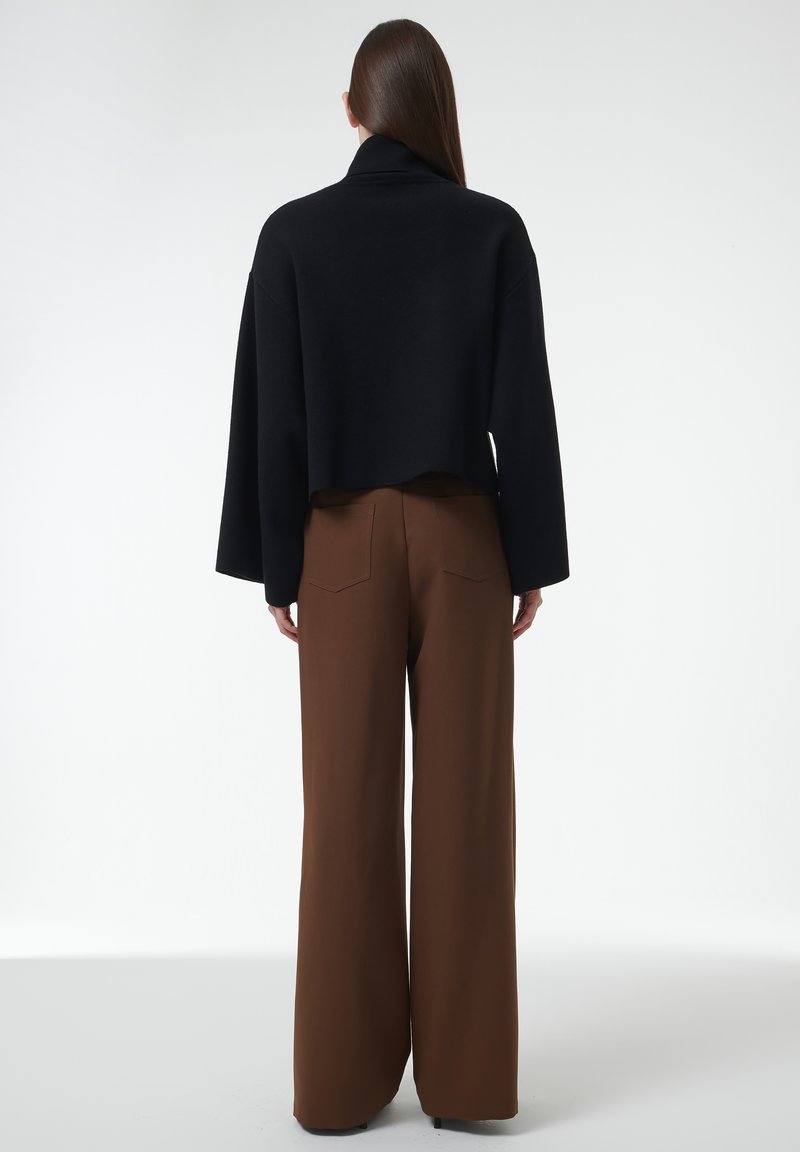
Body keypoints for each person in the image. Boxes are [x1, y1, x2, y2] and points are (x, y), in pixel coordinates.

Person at [215, 17, 569, 1134]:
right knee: (467, 816)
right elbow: (523, 409)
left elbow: (272, 416)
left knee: (346, 815)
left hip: (341, 549)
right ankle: (466, 1087)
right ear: (437, 111)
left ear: (353, 111)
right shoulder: (491, 230)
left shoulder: (293, 236)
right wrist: (531, 557)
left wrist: (278, 565)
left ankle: (335, 1088)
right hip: (465, 541)